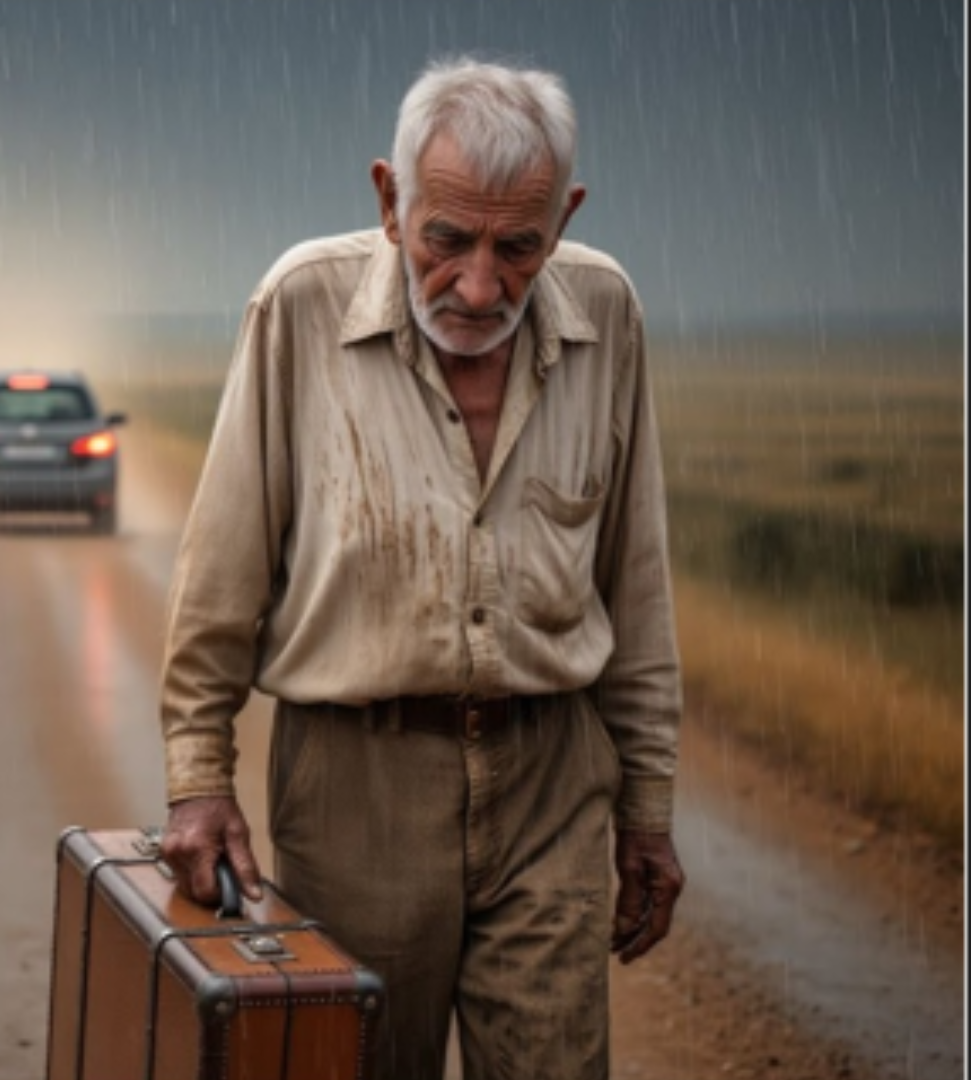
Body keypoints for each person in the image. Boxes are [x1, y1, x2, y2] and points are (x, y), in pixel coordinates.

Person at [156, 57, 685, 1080]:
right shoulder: (301, 307)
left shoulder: (606, 314)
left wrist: (649, 808)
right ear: (390, 200)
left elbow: (637, 583)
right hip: (356, 786)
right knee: (354, 1064)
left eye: (518, 247)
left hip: (553, 780)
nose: (482, 286)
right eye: (449, 240)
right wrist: (197, 781)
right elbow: (217, 578)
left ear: (563, 219)